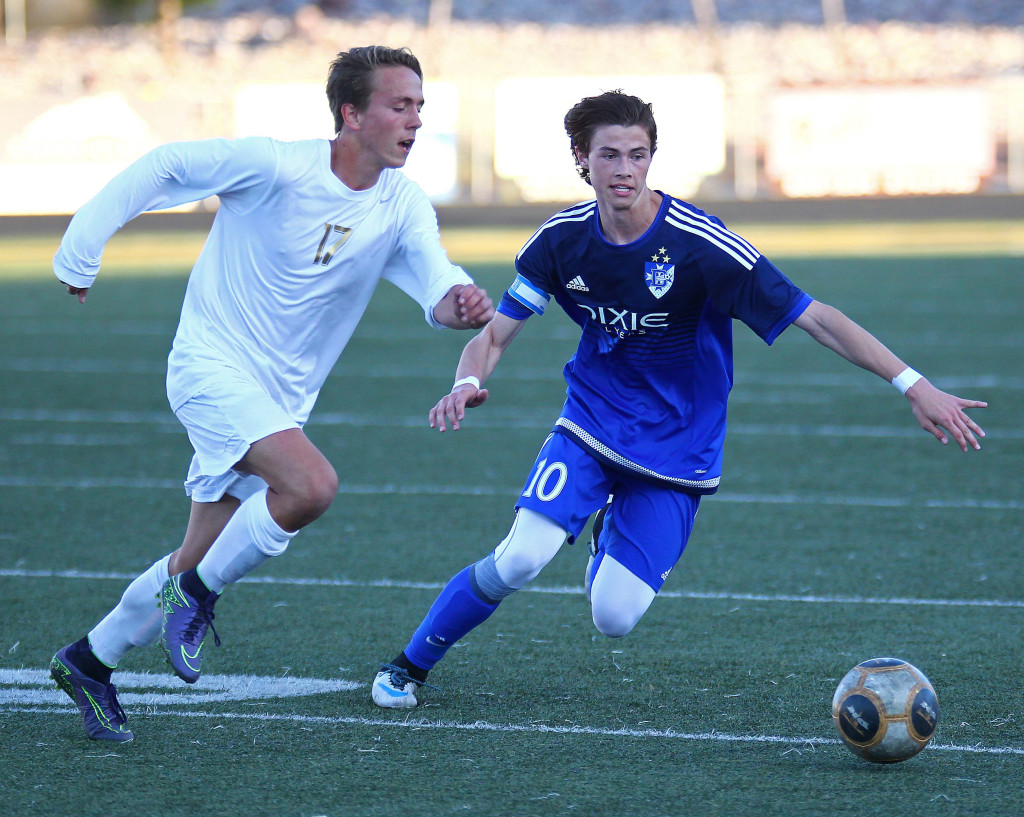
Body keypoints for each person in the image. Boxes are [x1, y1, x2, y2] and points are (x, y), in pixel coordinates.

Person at [370, 90, 987, 709]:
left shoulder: (702, 245)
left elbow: (817, 318)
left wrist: (915, 385)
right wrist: (466, 381)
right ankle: (408, 667)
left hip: (680, 443)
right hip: (592, 422)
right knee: (521, 558)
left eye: (638, 156)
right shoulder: (559, 241)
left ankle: (607, 529)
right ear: (581, 159)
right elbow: (495, 335)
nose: (624, 171)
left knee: (613, 616)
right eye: (609, 156)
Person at [48, 45, 494, 742]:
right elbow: (166, 167)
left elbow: (435, 285)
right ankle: (197, 599)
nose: (413, 119)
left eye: (419, 106)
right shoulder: (277, 165)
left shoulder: (402, 202)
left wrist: (458, 303)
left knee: (190, 557)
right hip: (209, 370)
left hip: (278, 402)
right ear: (351, 114)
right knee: (311, 485)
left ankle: (91, 657)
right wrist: (81, 246)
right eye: (398, 104)